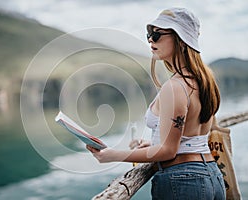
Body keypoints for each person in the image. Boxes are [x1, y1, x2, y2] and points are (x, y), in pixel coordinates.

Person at [87, 7, 226, 199]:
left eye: (157, 34)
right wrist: (153, 143)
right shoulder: (203, 81)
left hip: (183, 181)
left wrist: (113, 155)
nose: (151, 39)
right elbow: (188, 136)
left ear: (180, 38)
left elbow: (169, 151)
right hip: (212, 175)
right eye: (149, 35)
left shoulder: (175, 86)